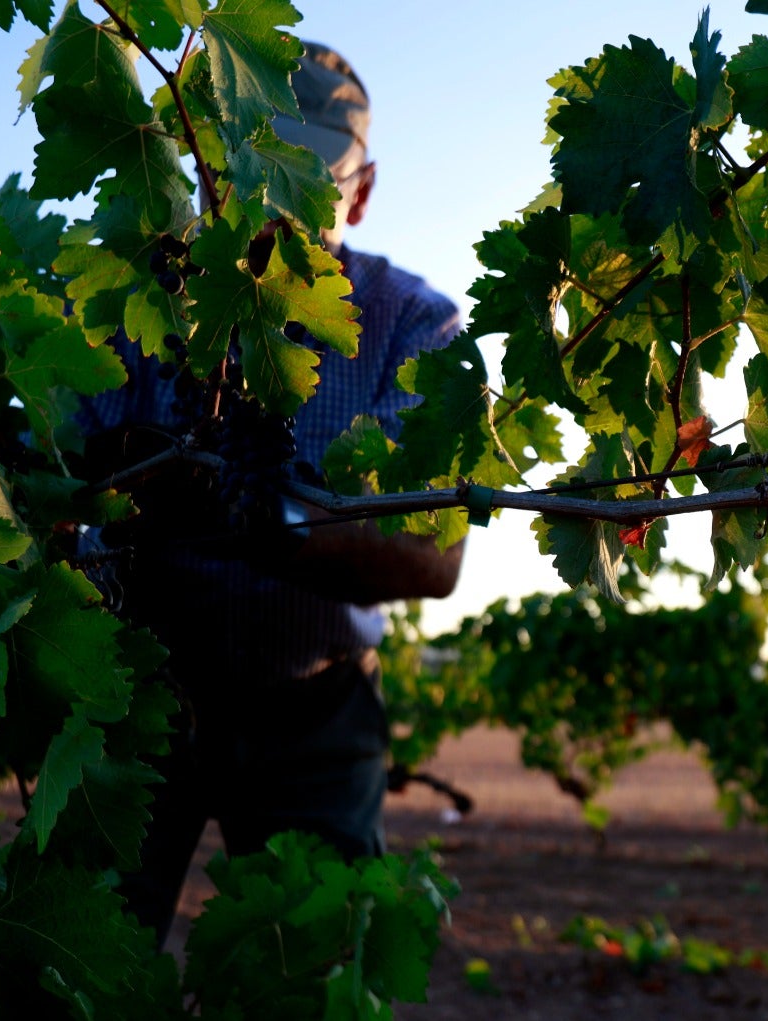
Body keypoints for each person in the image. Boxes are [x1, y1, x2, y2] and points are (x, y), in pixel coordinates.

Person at [76, 41, 465, 945]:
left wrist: (256, 518)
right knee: (77, 969)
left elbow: (435, 558)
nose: (269, 202)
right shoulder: (130, 296)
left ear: (360, 192)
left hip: (312, 715)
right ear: (204, 163)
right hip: (131, 701)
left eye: (303, 179)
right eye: (249, 168)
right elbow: (47, 491)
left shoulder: (412, 326)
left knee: (307, 975)